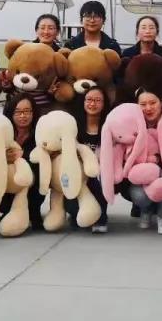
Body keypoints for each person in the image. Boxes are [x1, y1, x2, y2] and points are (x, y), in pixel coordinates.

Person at [117, 88, 162, 234]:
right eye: (143, 104)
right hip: (138, 175)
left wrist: (158, 159)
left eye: (153, 103)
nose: (148, 108)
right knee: (140, 196)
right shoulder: (130, 124)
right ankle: (146, 210)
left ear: (161, 102)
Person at [0, 93, 42, 231]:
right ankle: (7, 213)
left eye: (27, 111)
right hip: (9, 178)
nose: (23, 116)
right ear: (11, 113)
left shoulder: (39, 132)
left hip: (32, 179)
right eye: (18, 112)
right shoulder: (4, 132)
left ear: (33, 113)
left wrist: (23, 155)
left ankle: (33, 213)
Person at [65, 85, 111, 233]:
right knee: (73, 210)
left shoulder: (108, 125)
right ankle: (76, 212)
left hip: (99, 172)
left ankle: (101, 217)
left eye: (97, 100)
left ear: (104, 104)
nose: (92, 104)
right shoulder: (74, 124)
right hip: (77, 172)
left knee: (97, 182)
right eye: (89, 99)